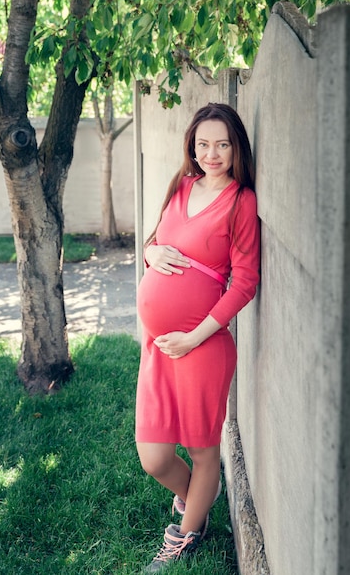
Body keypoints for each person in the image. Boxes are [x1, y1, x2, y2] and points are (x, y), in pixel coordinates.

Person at [135, 102, 260, 572]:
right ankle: (195, 501)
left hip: (203, 345)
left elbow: (245, 281)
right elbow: (157, 241)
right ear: (192, 144)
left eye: (222, 145)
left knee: (203, 449)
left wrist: (194, 336)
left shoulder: (241, 201)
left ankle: (189, 531)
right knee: (153, 457)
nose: (212, 153)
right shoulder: (181, 185)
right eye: (203, 143)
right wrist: (152, 251)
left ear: (236, 149)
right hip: (158, 347)